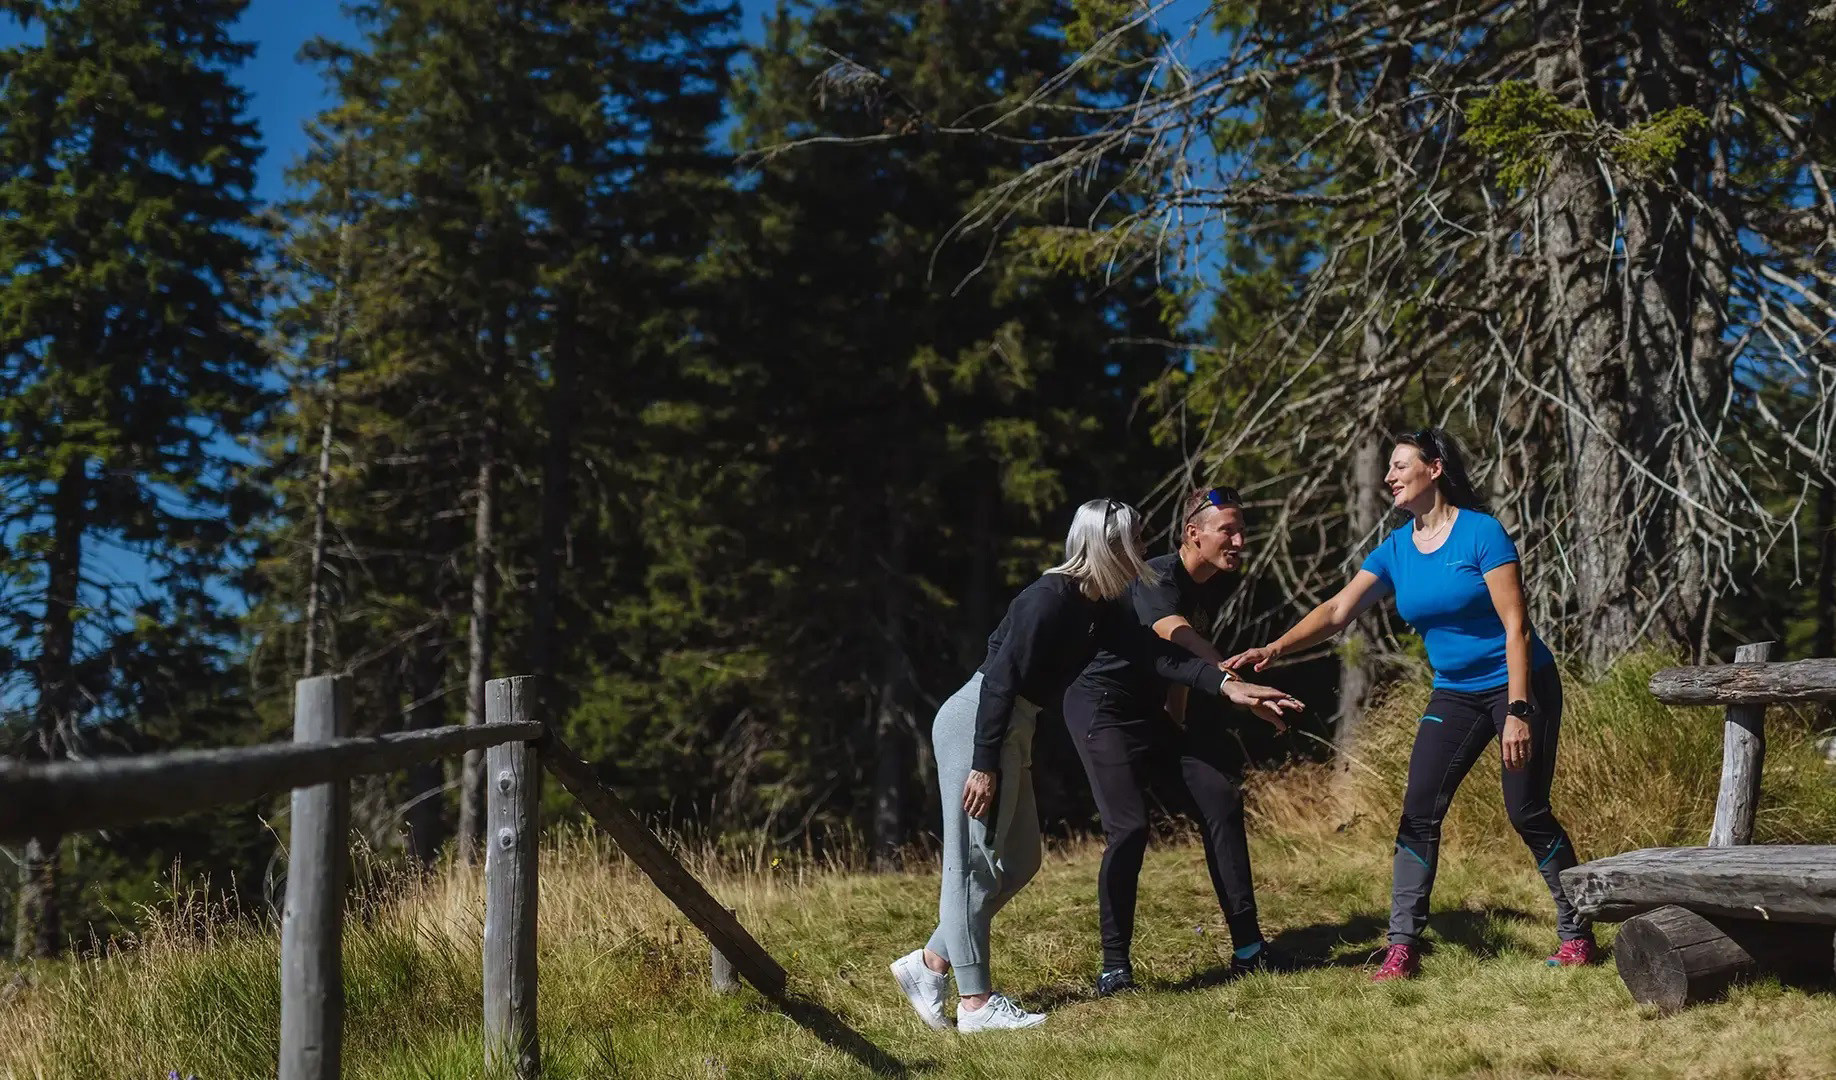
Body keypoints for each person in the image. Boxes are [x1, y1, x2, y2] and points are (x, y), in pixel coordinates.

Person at [890, 498, 1304, 1032]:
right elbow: (999, 680)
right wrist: (984, 763)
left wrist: (1231, 687)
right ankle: (975, 1003)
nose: (1143, 551)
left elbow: (1160, 658)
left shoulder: (1099, 608)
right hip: (977, 724)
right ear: (1109, 547)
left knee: (1020, 862)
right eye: (1135, 541)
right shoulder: (1046, 599)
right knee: (974, 865)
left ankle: (929, 964)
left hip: (1014, 726)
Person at [1227, 428, 1594, 981]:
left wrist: (1519, 712)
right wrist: (1275, 648)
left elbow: (1517, 626)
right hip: (1455, 691)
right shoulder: (1397, 549)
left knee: (1526, 810)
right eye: (1389, 468)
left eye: (1400, 466)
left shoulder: (1481, 533)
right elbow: (1337, 611)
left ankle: (1578, 931)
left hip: (1521, 684)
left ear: (1435, 468)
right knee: (1419, 810)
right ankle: (1401, 946)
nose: (1390, 476)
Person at [1064, 485, 1283, 997]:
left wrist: (1177, 723)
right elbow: (1174, 635)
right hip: (1102, 708)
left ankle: (1249, 949)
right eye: (1228, 531)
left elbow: (1174, 667)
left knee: (1220, 798)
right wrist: (1232, 683)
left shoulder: (1211, 584)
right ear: (1193, 534)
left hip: (1150, 712)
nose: (1239, 541)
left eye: (1242, 530)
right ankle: (1114, 968)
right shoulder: (1157, 576)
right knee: (1130, 827)